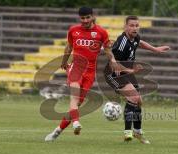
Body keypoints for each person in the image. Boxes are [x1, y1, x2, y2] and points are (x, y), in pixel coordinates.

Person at [45, 6, 119, 141]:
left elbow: (108, 50)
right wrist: (64, 61)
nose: (85, 20)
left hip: (90, 72)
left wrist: (113, 61)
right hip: (76, 68)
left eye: (87, 17)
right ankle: (76, 123)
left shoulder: (101, 32)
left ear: (92, 17)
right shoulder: (73, 30)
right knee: (74, 97)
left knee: (77, 104)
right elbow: (69, 47)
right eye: (82, 18)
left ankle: (57, 131)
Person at [104, 15, 170, 144]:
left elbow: (139, 43)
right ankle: (127, 132)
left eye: (136, 25)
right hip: (114, 73)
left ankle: (138, 132)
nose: (135, 28)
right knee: (133, 98)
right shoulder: (122, 41)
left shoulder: (134, 38)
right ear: (125, 27)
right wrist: (130, 70)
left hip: (127, 71)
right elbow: (113, 60)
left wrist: (155, 49)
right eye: (131, 25)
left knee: (139, 101)